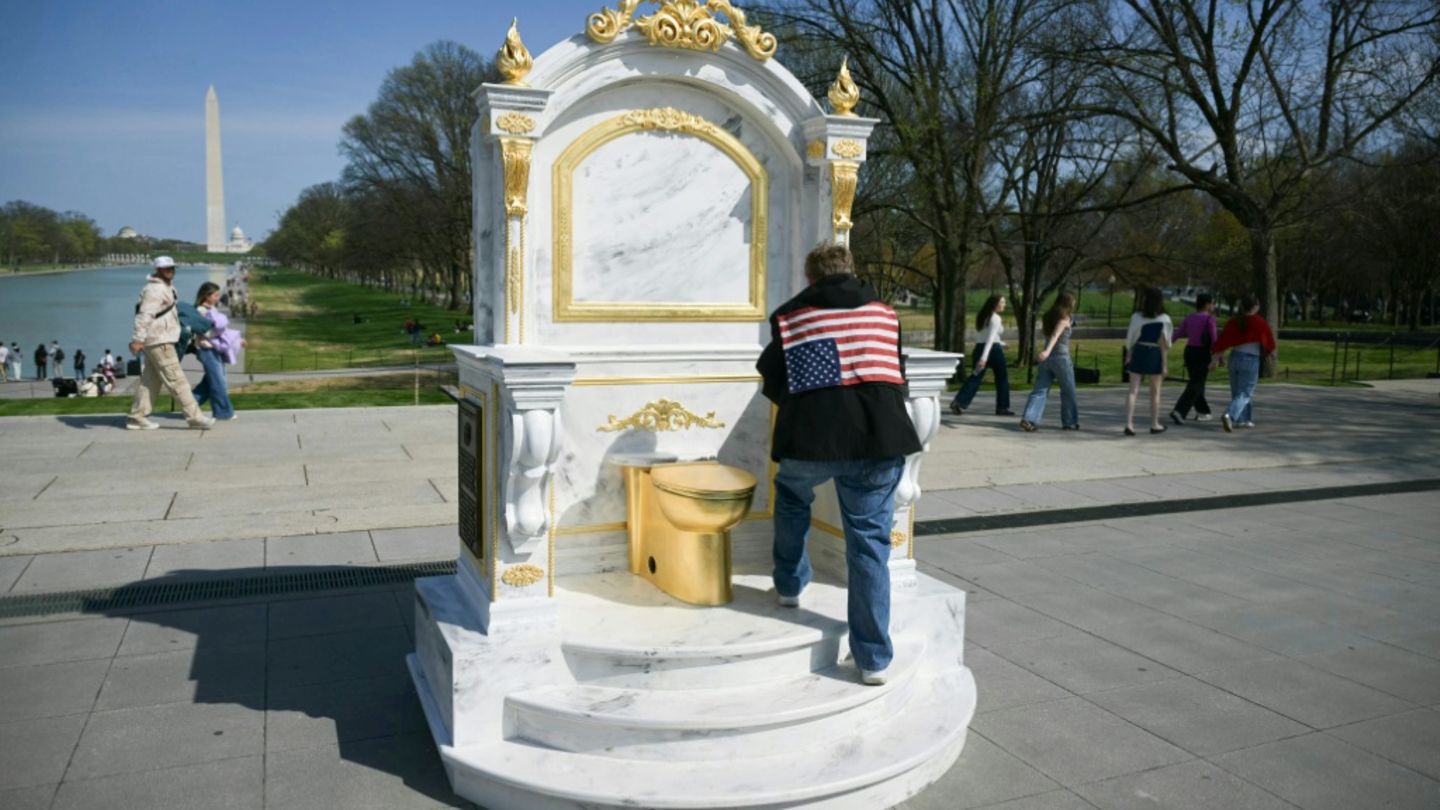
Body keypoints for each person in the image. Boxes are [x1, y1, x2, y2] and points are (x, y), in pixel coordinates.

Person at [756, 244, 922, 687]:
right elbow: (892, 369)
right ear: (851, 271)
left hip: (811, 438)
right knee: (868, 544)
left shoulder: (792, 316)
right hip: (879, 437)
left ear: (810, 278)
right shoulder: (885, 313)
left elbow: (772, 377)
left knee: (791, 497)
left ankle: (790, 586)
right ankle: (872, 660)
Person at [126, 256, 214, 431]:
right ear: (157, 270)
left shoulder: (165, 287)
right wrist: (137, 339)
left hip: (161, 338)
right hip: (159, 340)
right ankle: (195, 417)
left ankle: (137, 417)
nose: (170, 271)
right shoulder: (155, 290)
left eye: (172, 268)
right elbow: (144, 315)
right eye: (166, 268)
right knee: (178, 380)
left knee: (150, 381)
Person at [1212, 293, 1276, 432]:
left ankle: (1244, 420)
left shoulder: (1234, 321)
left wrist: (1214, 360)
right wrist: (1272, 355)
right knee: (1245, 393)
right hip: (1250, 359)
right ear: (1255, 306)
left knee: (1237, 392)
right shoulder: (1259, 322)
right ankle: (1229, 414)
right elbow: (1269, 343)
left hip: (1234, 358)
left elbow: (1222, 342)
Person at [1019, 292, 1079, 432]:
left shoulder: (1048, 317)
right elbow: (1054, 336)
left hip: (1046, 361)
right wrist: (1047, 351)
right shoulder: (1064, 319)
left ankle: (1029, 418)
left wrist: (1045, 352)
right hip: (1061, 358)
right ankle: (1069, 422)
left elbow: (1046, 334)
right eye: (1073, 302)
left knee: (1040, 390)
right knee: (1068, 391)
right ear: (1069, 303)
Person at [948, 295, 1014, 416]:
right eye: (1002, 302)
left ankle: (958, 402)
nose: (1004, 305)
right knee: (1002, 379)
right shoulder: (996, 318)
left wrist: (1001, 343)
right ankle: (1002, 408)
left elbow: (985, 337)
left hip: (979, 348)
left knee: (975, 377)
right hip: (993, 351)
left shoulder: (983, 316)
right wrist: (984, 358)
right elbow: (989, 340)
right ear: (995, 304)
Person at [191, 282, 244, 421]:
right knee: (218, 382)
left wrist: (235, 340)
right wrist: (223, 331)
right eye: (215, 295)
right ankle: (223, 412)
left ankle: (190, 405)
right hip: (206, 349)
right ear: (206, 295)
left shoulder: (211, 309)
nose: (218, 297)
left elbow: (221, 330)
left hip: (214, 349)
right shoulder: (200, 311)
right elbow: (206, 332)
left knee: (209, 382)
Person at [1123, 287, 1173, 435]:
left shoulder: (1137, 317)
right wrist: (1164, 364)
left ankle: (1129, 424)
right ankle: (1154, 424)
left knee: (1133, 390)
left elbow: (1131, 339)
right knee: (1155, 392)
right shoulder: (1165, 319)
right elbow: (1164, 343)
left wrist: (1129, 354)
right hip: (1154, 354)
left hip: (1139, 350)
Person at [1169, 294, 1219, 424]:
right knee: (1196, 384)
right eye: (1213, 302)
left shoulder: (1189, 317)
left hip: (1189, 352)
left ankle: (1203, 412)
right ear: (1206, 304)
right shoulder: (1210, 319)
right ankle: (1179, 411)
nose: (1214, 305)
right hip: (1202, 353)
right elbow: (1214, 340)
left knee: (1197, 383)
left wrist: (1165, 345)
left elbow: (1177, 334)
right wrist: (1218, 356)